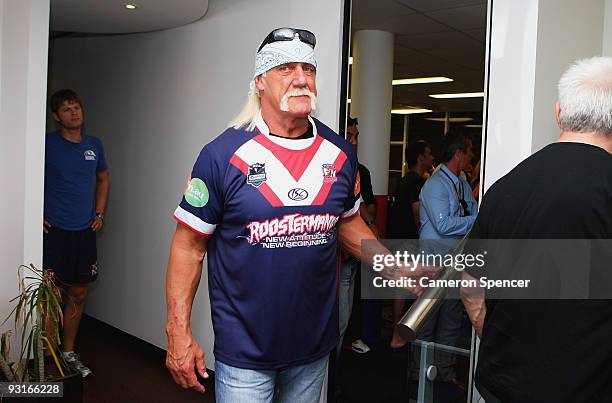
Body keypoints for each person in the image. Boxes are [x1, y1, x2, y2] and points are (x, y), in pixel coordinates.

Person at [164, 28, 433, 402]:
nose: (301, 79)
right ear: (259, 81)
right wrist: (178, 331)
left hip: (313, 349)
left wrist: (397, 269)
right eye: (285, 68)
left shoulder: (339, 154)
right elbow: (188, 247)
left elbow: (348, 224)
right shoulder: (222, 155)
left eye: (308, 68)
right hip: (246, 354)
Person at [461, 56, 612, 402]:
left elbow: (470, 284)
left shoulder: (504, 187)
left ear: (559, 113)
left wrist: (490, 329)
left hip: (504, 385)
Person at [43, 89, 110, 378]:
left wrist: (99, 213)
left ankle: (68, 351)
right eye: (67, 109)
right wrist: (34, 213)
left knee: (79, 292)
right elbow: (28, 175)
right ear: (56, 117)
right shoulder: (46, 144)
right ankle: (46, 353)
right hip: (55, 230)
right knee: (51, 293)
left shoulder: (94, 145)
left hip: (84, 232)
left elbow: (104, 178)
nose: (74, 112)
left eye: (77, 107)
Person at [417, 130, 477, 380]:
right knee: (426, 321)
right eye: (470, 150)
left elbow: (471, 213)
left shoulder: (462, 184)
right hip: (432, 263)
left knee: (451, 321)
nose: (473, 155)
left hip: (456, 261)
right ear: (459, 153)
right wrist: (475, 220)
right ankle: (419, 375)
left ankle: (444, 373)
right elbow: (443, 225)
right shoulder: (435, 185)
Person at [388, 140, 434, 348]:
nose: (432, 158)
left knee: (400, 284)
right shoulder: (417, 182)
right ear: (420, 157)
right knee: (407, 285)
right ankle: (400, 332)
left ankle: (397, 331)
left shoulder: (405, 180)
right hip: (408, 238)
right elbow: (417, 213)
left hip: (398, 236)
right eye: (429, 154)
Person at [339, 116, 378, 356]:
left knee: (345, 315)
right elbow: (355, 210)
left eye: (356, 137)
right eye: (349, 136)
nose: (353, 142)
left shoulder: (359, 170)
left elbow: (367, 206)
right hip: (335, 256)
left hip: (353, 254)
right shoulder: (334, 168)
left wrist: (369, 222)